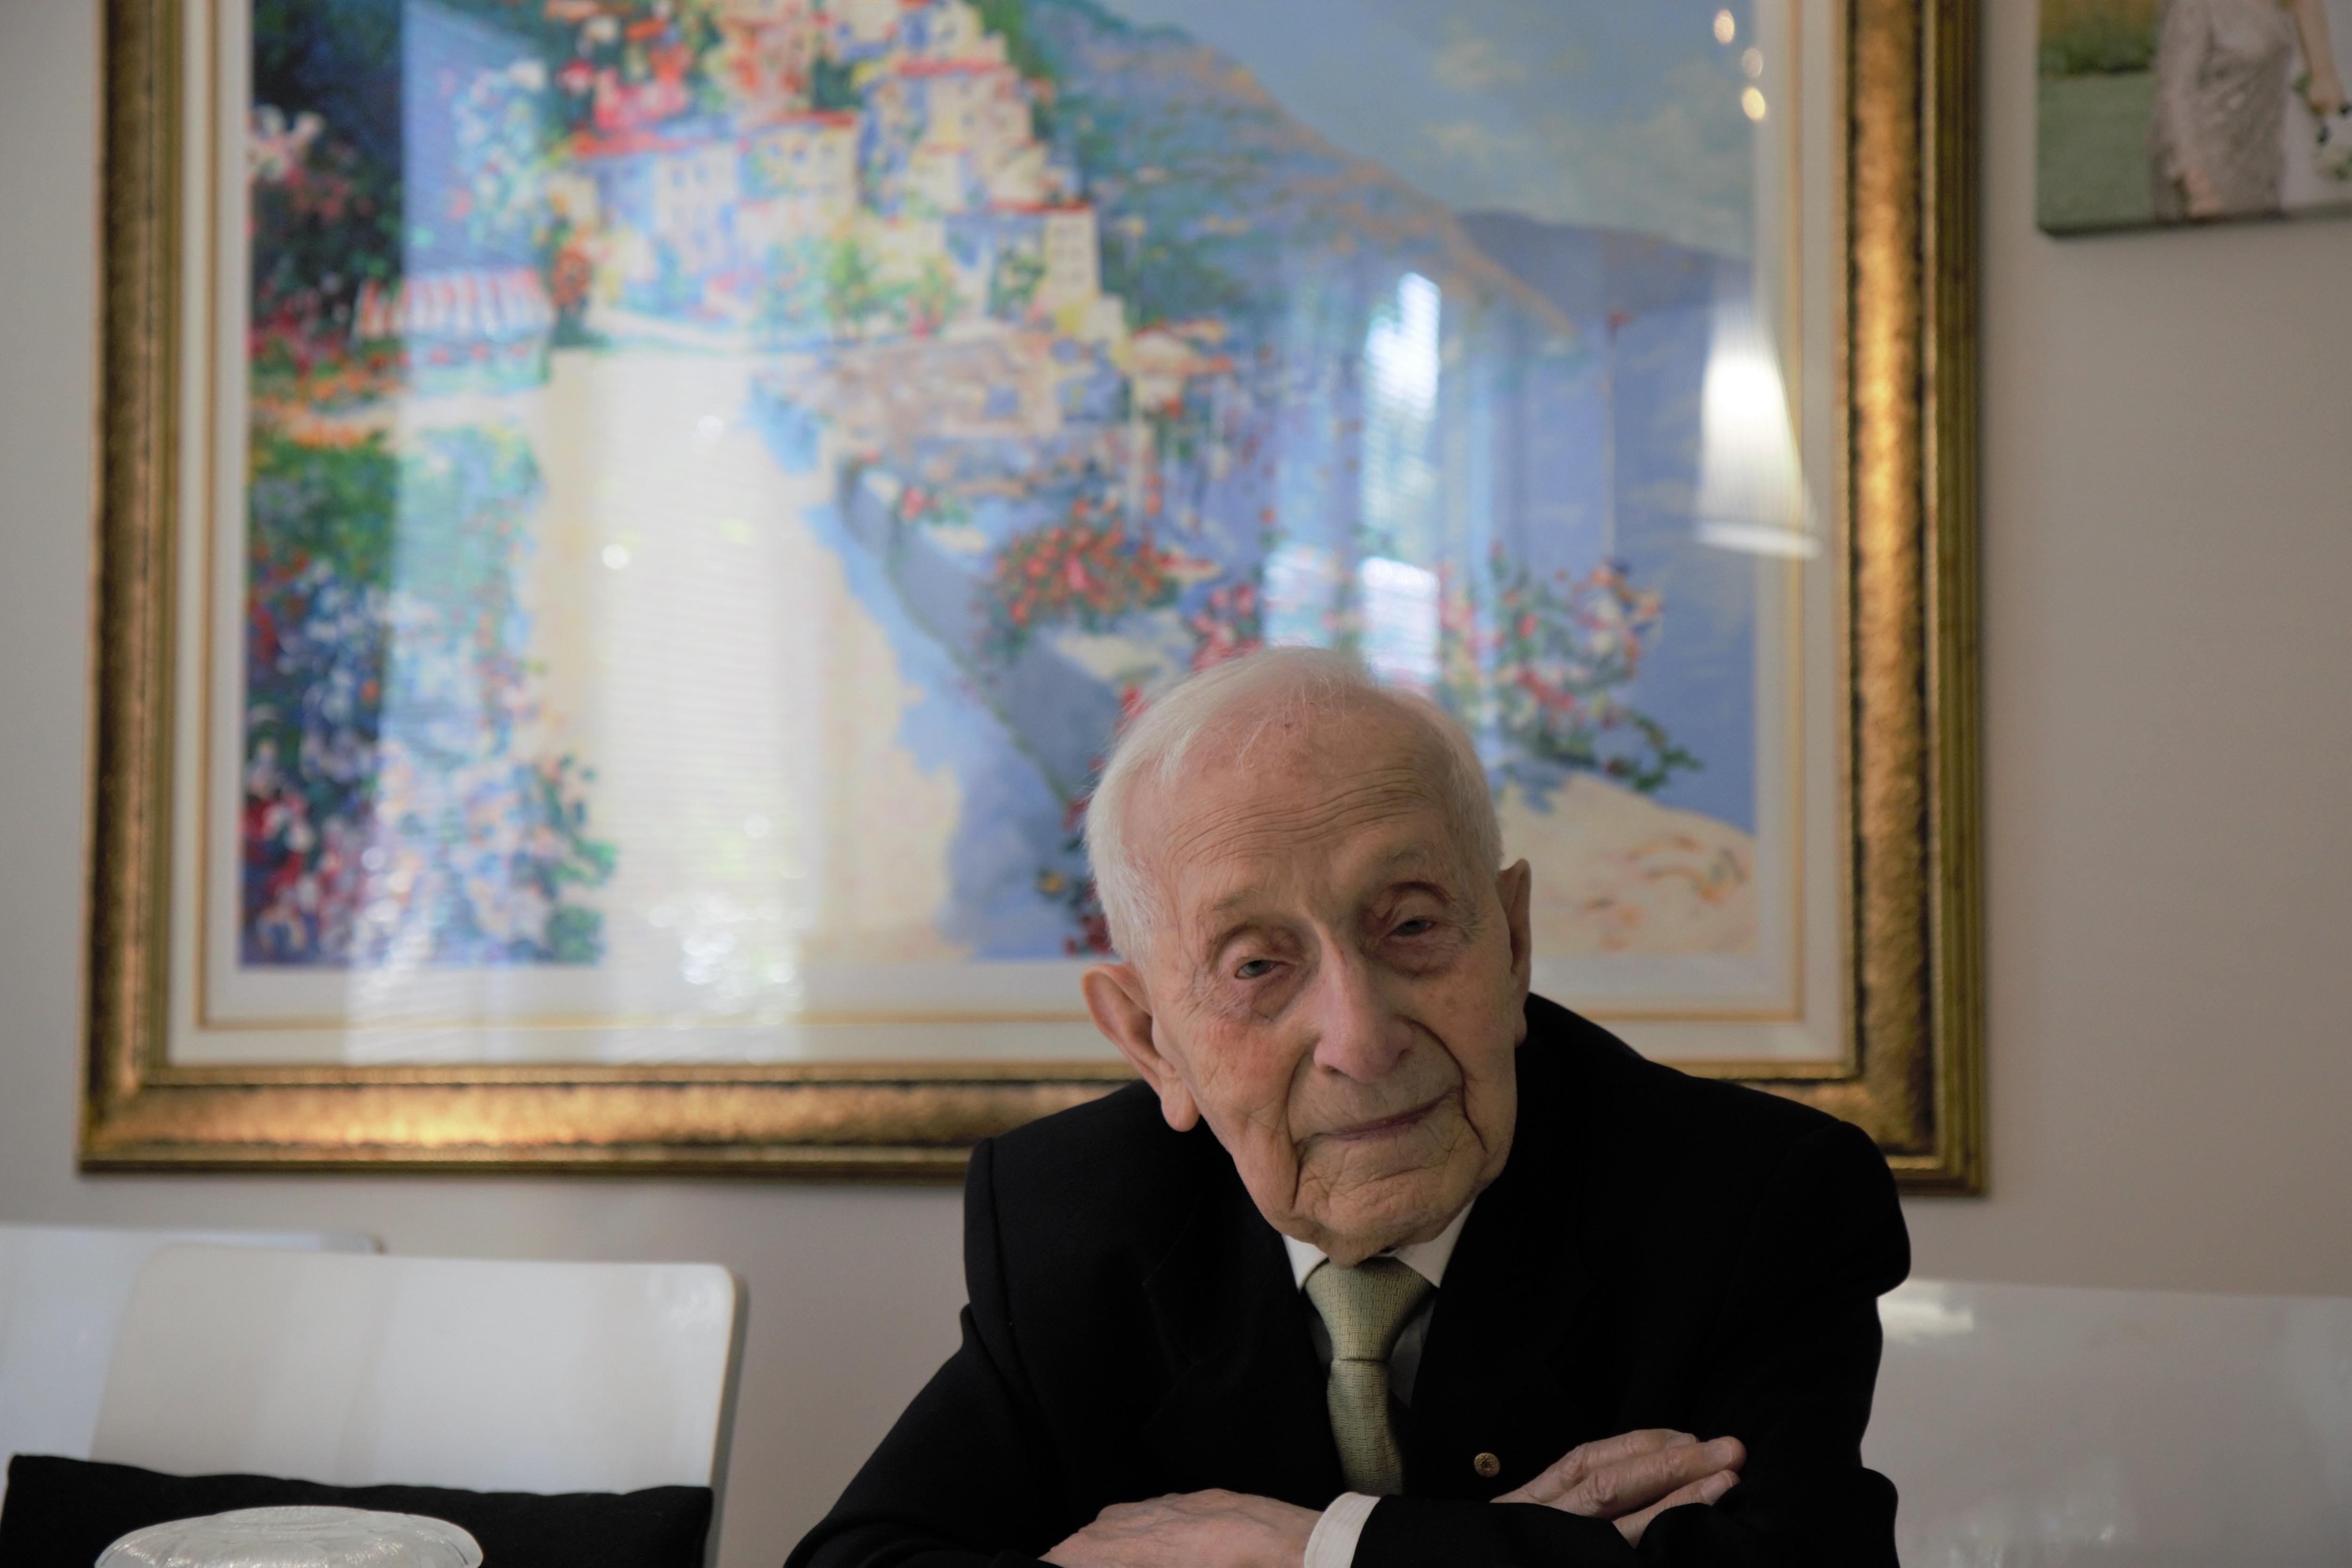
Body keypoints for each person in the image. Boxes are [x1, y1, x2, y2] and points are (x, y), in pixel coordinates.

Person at [787, 648, 1909, 1568]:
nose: (1361, 1042)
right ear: (1147, 1040)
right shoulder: (1070, 1218)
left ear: (1511, 944)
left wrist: (1320, 1551)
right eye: (1255, 966)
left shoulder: (1756, 1200)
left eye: (1412, 925)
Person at [2150, 0, 2348, 220]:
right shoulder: (2194, 7)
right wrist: (2199, 187)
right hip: (2210, 167)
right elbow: (2176, 95)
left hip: (2261, 168)